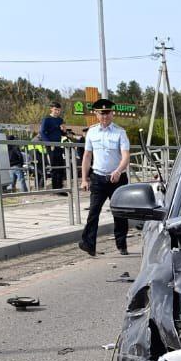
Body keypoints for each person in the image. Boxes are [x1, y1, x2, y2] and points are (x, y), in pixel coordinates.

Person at [79, 98, 131, 256]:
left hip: (117, 179)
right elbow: (87, 156)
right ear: (96, 114)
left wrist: (118, 170)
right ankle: (89, 244)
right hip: (98, 178)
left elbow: (126, 156)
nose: (105, 116)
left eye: (107, 113)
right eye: (101, 113)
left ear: (112, 113)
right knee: (93, 212)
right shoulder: (92, 132)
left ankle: (121, 245)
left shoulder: (120, 132)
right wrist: (84, 179)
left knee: (120, 213)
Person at [39, 101, 66, 190]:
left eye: (58, 110)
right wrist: (49, 143)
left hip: (58, 145)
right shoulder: (46, 119)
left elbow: (62, 133)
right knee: (54, 167)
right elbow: (42, 132)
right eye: (55, 110)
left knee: (61, 166)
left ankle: (60, 187)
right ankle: (55, 188)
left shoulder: (60, 120)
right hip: (51, 145)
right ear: (51, 109)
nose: (57, 112)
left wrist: (64, 131)